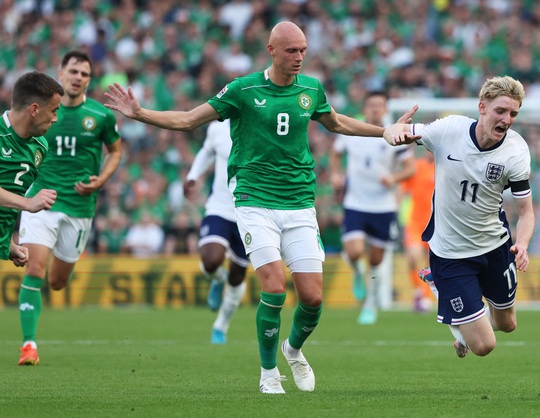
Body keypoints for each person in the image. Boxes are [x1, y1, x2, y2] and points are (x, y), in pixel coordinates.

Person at [105, 21, 417, 394]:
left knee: (314, 299)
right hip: (254, 201)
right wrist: (140, 114)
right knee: (273, 287)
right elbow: (188, 120)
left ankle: (293, 350)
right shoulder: (242, 89)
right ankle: (269, 372)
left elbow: (336, 123)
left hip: (300, 203)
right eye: (291, 50)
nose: (299, 57)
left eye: (303, 50)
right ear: (271, 50)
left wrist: (381, 131)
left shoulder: (311, 89)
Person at [383, 76, 534, 359]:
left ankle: (469, 322)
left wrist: (522, 244)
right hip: (451, 253)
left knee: (508, 324)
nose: (507, 119)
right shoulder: (449, 130)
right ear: (482, 107)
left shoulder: (516, 151)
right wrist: (392, 131)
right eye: (501, 111)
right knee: (484, 346)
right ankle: (441, 287)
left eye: (513, 113)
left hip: (495, 246)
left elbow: (526, 212)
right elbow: (400, 130)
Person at [17, 51, 122, 366]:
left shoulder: (100, 116)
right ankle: (29, 345)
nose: (78, 77)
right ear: (60, 73)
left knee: (57, 281)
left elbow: (115, 151)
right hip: (41, 201)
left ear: (89, 80)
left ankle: (45, 294)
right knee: (34, 268)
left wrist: (101, 180)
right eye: (73, 71)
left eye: (85, 74)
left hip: (80, 206)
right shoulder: (43, 111)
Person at [329, 91, 415, 325]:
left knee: (376, 261)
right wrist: (336, 174)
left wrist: (394, 178)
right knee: (355, 252)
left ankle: (370, 305)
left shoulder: (394, 134)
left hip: (384, 206)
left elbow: (410, 168)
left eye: (380, 105)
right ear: (365, 108)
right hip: (355, 204)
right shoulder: (352, 131)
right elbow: (335, 154)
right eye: (372, 105)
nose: (376, 109)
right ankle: (357, 272)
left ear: (386, 109)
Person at [182, 119, 250, 345]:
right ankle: (216, 278)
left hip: (252, 213)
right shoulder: (218, 128)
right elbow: (206, 151)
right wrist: (193, 175)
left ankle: (221, 325)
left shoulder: (265, 122)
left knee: (237, 276)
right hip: (220, 207)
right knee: (211, 260)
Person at [0, 71, 62, 268]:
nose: (55, 119)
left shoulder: (40, 147)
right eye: (54, 110)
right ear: (34, 109)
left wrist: (7, 245)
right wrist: (27, 203)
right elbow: (21, 200)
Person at [399, 150, 436, 313]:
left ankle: (425, 296)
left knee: (431, 263)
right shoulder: (415, 167)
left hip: (436, 223)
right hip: (415, 222)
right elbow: (402, 190)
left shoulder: (444, 167)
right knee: (413, 257)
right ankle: (419, 292)